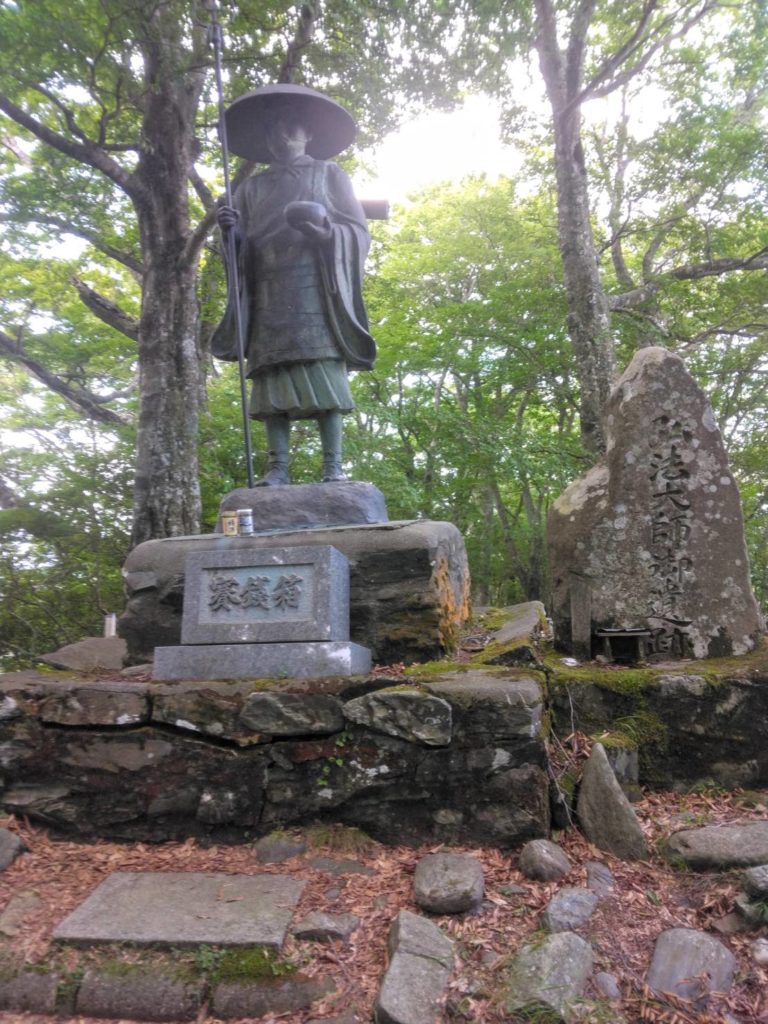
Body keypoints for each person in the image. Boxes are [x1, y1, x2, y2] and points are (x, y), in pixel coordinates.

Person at [212, 84, 376, 486]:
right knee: (272, 377)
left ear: (309, 133)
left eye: (290, 124)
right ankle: (277, 467)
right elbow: (239, 247)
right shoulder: (250, 189)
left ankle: (333, 466)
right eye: (273, 127)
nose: (281, 133)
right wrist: (229, 232)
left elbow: (358, 231)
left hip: (315, 288)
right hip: (268, 290)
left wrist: (327, 232)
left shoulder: (330, 174)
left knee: (325, 374)